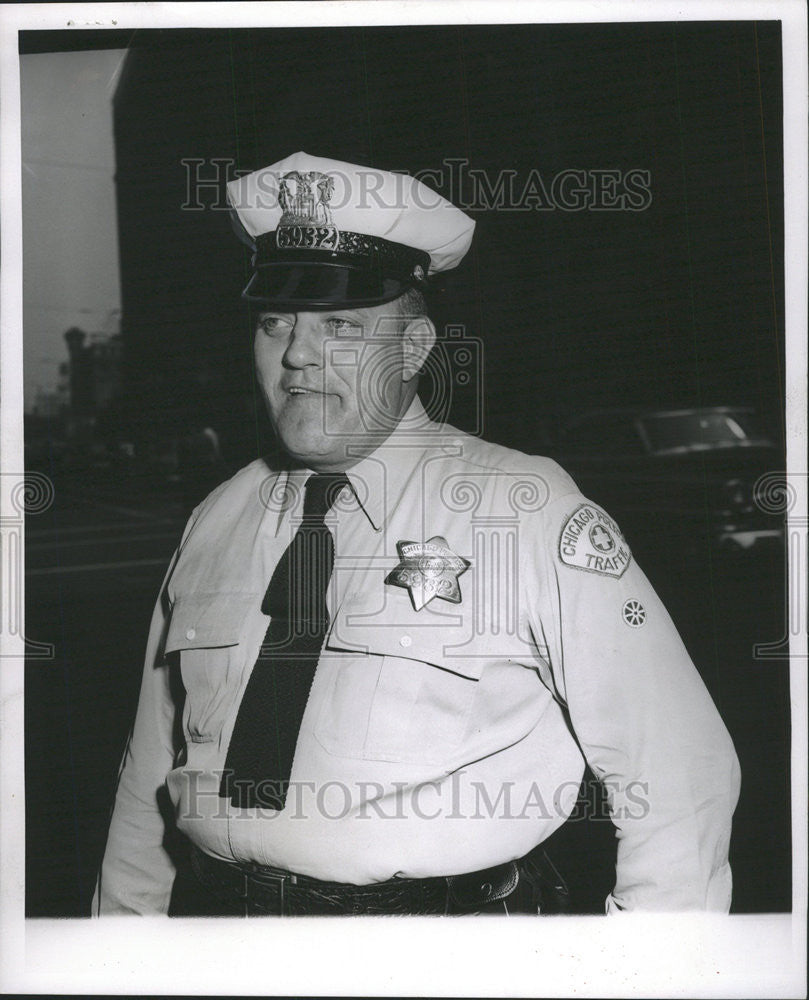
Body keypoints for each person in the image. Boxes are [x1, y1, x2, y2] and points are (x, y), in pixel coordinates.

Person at [94, 151, 740, 916]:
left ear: (412, 349)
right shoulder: (219, 516)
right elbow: (146, 771)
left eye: (339, 325)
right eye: (275, 323)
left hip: (441, 943)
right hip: (222, 932)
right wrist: (121, 947)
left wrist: (650, 976)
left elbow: (674, 769)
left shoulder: (520, 507)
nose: (296, 355)